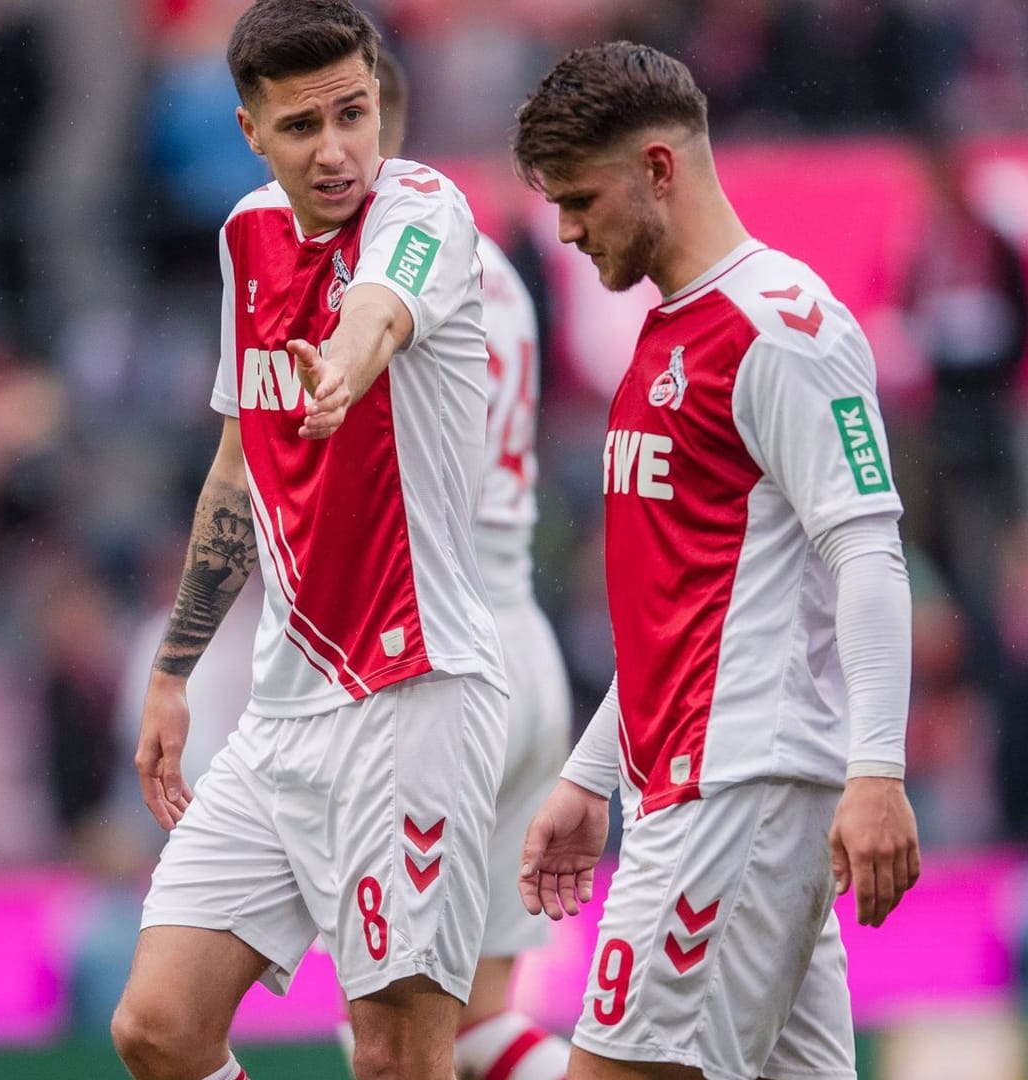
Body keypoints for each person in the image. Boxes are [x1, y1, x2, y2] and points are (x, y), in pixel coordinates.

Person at [109, 3, 508, 1079]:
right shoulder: (246, 236)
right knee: (158, 1027)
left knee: (395, 1057)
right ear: (250, 131)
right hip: (288, 710)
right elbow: (240, 466)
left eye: (354, 113)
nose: (336, 150)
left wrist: (343, 360)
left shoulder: (423, 204)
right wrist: (172, 672)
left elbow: (377, 307)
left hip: (412, 694)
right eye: (301, 127)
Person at [512, 42, 921, 1080]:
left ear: (659, 168)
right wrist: (591, 773)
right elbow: (685, 607)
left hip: (738, 789)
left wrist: (878, 768)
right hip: (694, 788)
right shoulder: (663, 337)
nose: (565, 228)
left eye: (580, 198)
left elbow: (868, 548)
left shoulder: (785, 327)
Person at [335, 51, 572, 1080]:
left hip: (432, 670)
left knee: (389, 1049)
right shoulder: (497, 266)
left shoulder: (370, 271)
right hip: (522, 644)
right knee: (474, 1034)